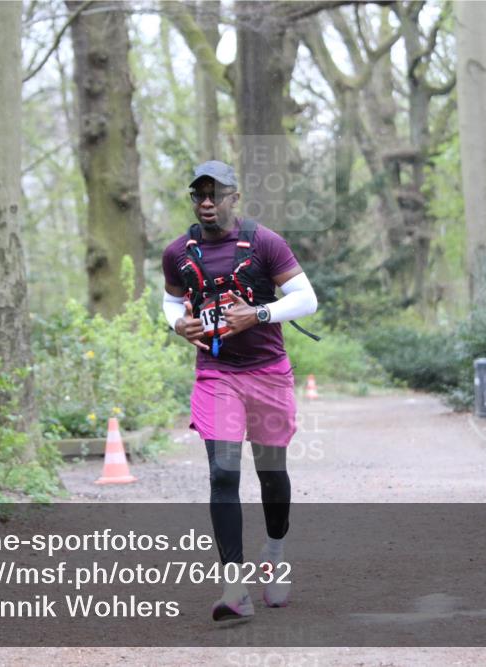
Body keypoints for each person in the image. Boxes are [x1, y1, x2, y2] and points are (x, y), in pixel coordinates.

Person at [161, 160, 319, 621]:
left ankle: (274, 555)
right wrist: (177, 323)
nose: (206, 203)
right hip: (217, 375)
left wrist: (259, 314)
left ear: (235, 197)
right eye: (199, 195)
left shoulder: (266, 242)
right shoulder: (178, 252)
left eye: (216, 194)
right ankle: (234, 586)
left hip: (268, 373)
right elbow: (171, 300)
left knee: (271, 474)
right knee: (224, 474)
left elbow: (306, 298)